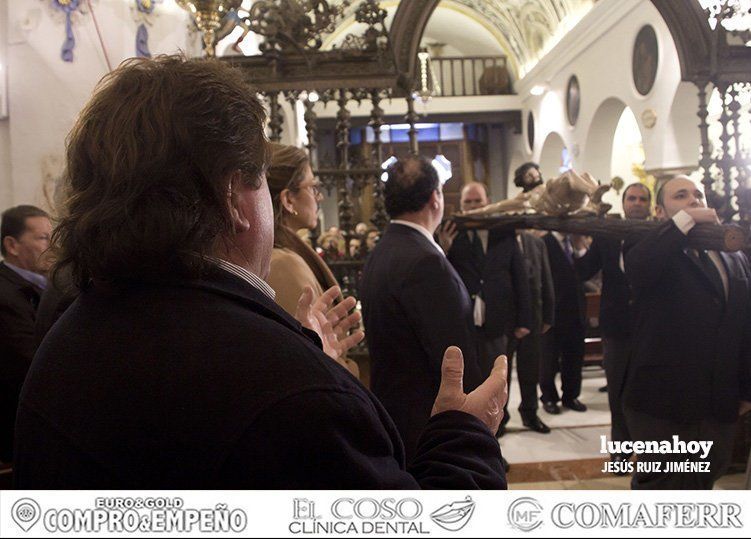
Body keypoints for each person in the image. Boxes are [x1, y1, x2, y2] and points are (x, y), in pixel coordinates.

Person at [14, 55, 507, 489]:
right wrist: (462, 438)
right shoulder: (296, 396)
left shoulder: (64, 343)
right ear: (235, 198)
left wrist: (301, 350)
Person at [624, 175, 751, 489]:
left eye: (698, 195)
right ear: (660, 212)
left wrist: (747, 388)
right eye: (681, 196)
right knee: (662, 488)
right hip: (663, 401)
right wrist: (684, 221)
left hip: (718, 400)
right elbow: (639, 268)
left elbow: (744, 323)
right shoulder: (646, 244)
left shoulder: (732, 254)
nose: (694, 200)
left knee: (704, 480)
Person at [360, 156, 490, 463]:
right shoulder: (425, 262)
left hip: (395, 413)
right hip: (430, 426)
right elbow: (452, 357)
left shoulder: (382, 250)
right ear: (436, 198)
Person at [439, 182, 533, 434]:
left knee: (498, 372)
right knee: (471, 372)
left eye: (477, 201)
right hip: (465, 319)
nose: (473, 206)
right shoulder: (451, 233)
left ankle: (498, 420)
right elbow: (441, 275)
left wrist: (524, 319)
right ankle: (473, 420)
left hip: (499, 316)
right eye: (468, 202)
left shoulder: (504, 232)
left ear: (487, 202)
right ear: (460, 205)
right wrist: (443, 249)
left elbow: (519, 276)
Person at [263, 143, 360, 377]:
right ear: (288, 200)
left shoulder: (287, 255)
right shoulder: (285, 265)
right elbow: (311, 361)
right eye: (313, 187)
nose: (318, 197)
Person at [574, 183, 651, 472]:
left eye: (643, 199)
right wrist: (575, 240)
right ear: (623, 202)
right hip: (616, 325)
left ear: (649, 204)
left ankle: (648, 449)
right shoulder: (609, 237)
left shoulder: (657, 234)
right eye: (632, 198)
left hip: (650, 327)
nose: (637, 203)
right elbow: (583, 270)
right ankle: (621, 449)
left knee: (647, 391)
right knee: (617, 390)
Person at [0, 205, 52, 463]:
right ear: (12, 245)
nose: (52, 247)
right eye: (43, 238)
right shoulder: (5, 295)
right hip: (18, 426)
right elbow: (30, 362)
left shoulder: (43, 285)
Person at [506, 231, 555, 434]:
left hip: (534, 317)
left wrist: (548, 315)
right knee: (502, 374)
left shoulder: (536, 243)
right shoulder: (499, 239)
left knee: (530, 370)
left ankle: (530, 413)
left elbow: (546, 277)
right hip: (506, 320)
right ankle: (499, 418)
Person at [541, 229, 588, 414]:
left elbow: (585, 273)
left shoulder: (576, 241)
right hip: (553, 311)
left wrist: (579, 248)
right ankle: (548, 397)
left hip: (576, 310)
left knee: (574, 357)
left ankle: (571, 395)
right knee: (548, 359)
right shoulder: (544, 242)